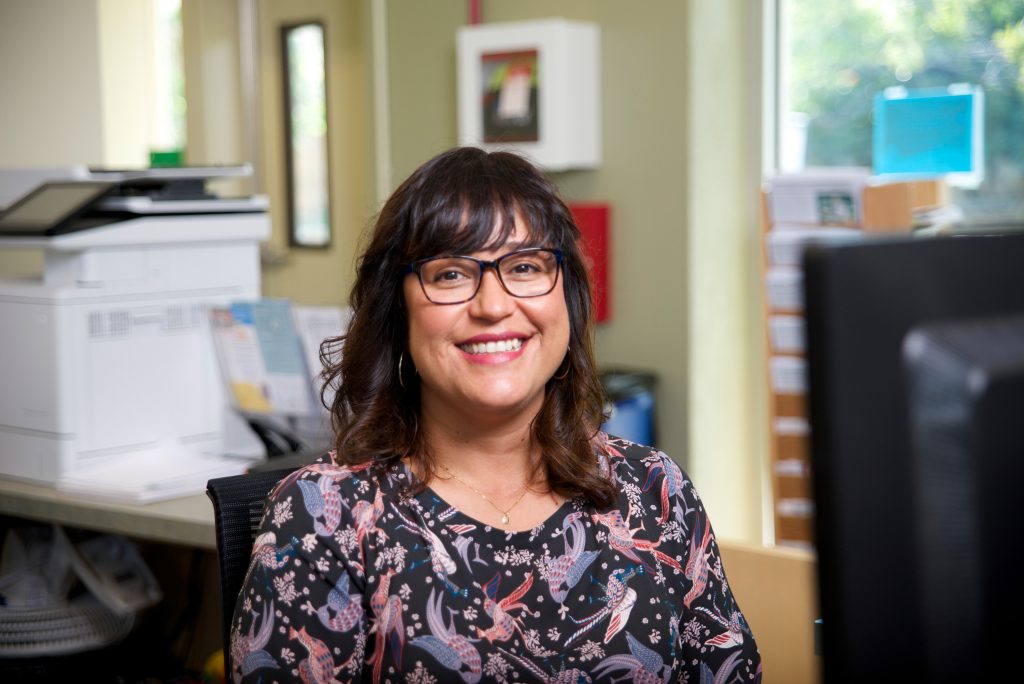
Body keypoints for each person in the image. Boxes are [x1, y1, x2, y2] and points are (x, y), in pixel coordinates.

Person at [230, 147, 761, 683]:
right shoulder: (324, 520)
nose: (492, 305)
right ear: (398, 310)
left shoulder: (654, 492)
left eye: (525, 266)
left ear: (568, 303)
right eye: (452, 274)